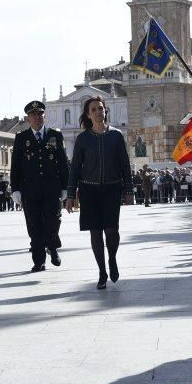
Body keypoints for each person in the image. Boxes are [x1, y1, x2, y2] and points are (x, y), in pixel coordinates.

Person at [65, 96, 134, 290]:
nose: (98, 112)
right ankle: (102, 271)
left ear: (106, 111)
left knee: (112, 230)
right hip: (89, 190)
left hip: (112, 188)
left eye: (101, 108)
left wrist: (129, 190)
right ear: (88, 114)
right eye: (94, 109)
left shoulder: (116, 135)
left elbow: (124, 165)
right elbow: (75, 168)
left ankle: (112, 258)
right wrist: (71, 195)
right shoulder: (83, 138)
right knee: (95, 232)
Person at [10, 100, 70, 272]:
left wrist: (66, 187)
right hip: (30, 190)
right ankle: (39, 261)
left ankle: (52, 245)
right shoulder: (21, 138)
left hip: (52, 188)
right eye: (33, 115)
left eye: (40, 114)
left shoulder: (55, 136)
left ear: (45, 116)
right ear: (28, 118)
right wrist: (15, 189)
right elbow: (16, 165)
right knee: (34, 225)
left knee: (53, 220)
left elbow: (63, 163)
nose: (37, 117)